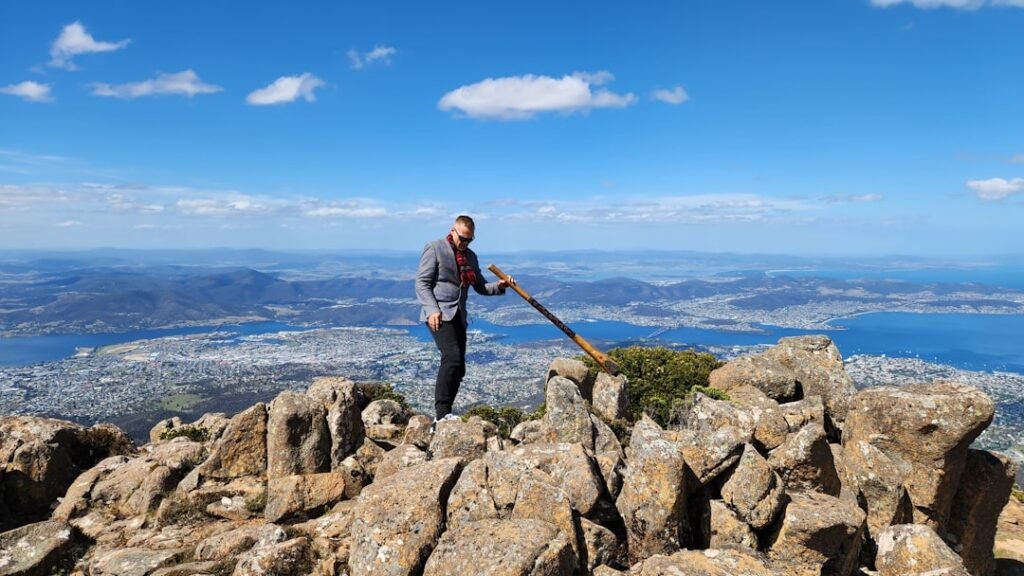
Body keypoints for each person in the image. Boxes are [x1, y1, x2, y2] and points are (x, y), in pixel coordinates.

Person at [415, 215, 514, 426]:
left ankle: (445, 413)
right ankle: (441, 415)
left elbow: (480, 286)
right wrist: (432, 309)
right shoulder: (435, 248)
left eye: (470, 240)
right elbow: (422, 283)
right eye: (463, 238)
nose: (465, 243)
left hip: (458, 313)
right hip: (439, 314)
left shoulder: (470, 257)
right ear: (453, 231)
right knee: (452, 358)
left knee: (459, 366)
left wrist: (500, 286)